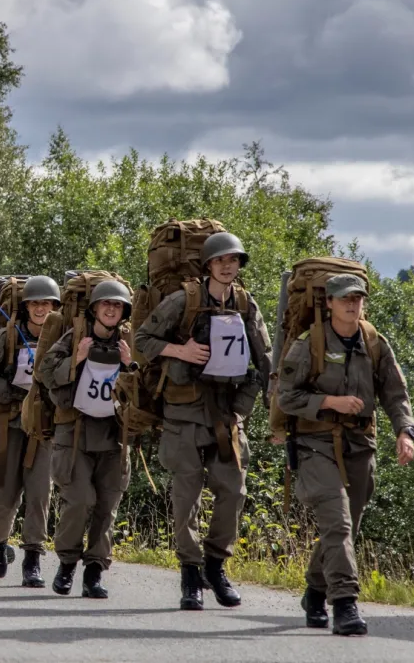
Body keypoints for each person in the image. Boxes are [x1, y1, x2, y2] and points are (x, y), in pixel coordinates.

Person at [277, 273, 414, 636]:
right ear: (329, 303)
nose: (352, 304)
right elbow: (286, 397)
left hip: (359, 445)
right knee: (337, 523)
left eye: (358, 298)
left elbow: (395, 393)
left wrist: (405, 431)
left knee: (346, 528)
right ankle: (345, 604)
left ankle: (314, 590)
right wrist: (328, 401)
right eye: (344, 299)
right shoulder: (310, 343)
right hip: (315, 444)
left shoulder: (374, 342)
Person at [135, 232, 272, 610]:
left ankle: (215, 565)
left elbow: (265, 357)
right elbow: (142, 341)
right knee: (187, 497)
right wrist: (181, 349)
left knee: (234, 491)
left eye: (234, 261)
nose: (228, 266)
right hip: (184, 414)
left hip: (227, 414)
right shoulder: (184, 300)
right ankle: (190, 574)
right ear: (208, 264)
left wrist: (267, 405)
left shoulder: (246, 304)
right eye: (221, 260)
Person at [39, 280, 137, 599]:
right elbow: (45, 374)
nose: (111, 309)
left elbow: (146, 389)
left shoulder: (128, 342)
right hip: (76, 433)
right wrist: (76, 359)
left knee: (107, 506)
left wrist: (130, 365)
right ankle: (67, 564)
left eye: (118, 305)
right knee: (79, 501)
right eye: (105, 303)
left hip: (114, 436)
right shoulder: (74, 338)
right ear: (94, 308)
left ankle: (94, 571)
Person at [0, 276, 61, 584]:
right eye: (35, 303)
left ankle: (33, 560)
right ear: (25, 307)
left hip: (44, 429)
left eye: (46, 303)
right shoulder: (6, 337)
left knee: (40, 494)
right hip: (7, 426)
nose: (41, 309)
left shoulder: (62, 337)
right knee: (6, 495)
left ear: (55, 307)